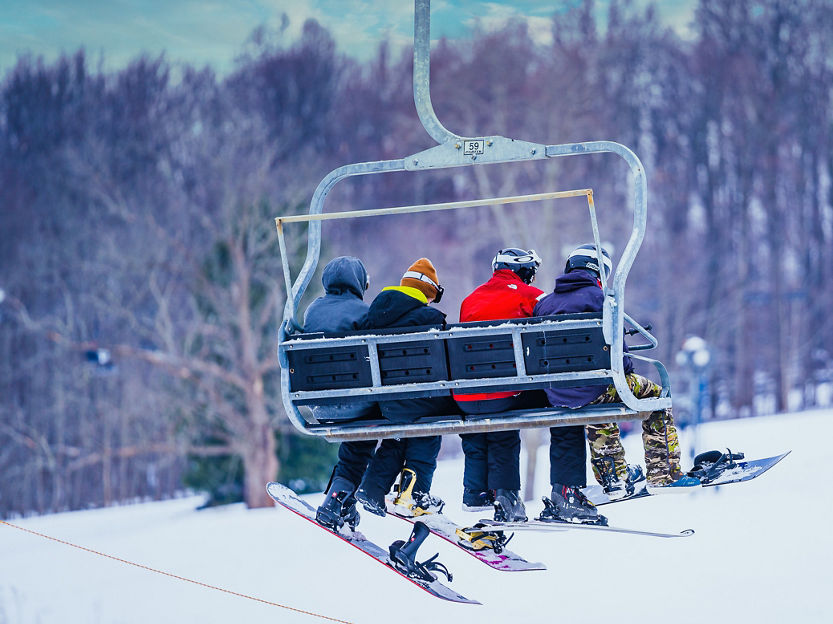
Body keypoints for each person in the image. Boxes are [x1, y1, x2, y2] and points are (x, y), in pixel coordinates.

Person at [534, 244, 697, 512]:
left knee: (597, 399)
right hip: (596, 386)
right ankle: (663, 471)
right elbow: (620, 358)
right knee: (656, 396)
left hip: (559, 393)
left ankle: (613, 476)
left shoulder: (545, 304)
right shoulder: (602, 300)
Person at [453, 248, 555, 521]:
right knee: (503, 425)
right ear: (523, 270)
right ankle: (507, 496)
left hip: (466, 395)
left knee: (478, 423)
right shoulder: (530, 296)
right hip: (505, 392)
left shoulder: (470, 299)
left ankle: (475, 492)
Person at [354, 258, 455, 517]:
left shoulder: (373, 314)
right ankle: (415, 493)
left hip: (386, 402)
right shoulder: (431, 318)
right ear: (429, 292)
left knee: (399, 434)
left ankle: (373, 486)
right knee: (428, 428)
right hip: (423, 402)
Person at [306, 256, 379, 531]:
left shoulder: (312, 311)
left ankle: (339, 499)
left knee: (358, 437)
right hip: (356, 403)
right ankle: (340, 497)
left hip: (320, 405)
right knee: (364, 434)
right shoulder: (363, 312)